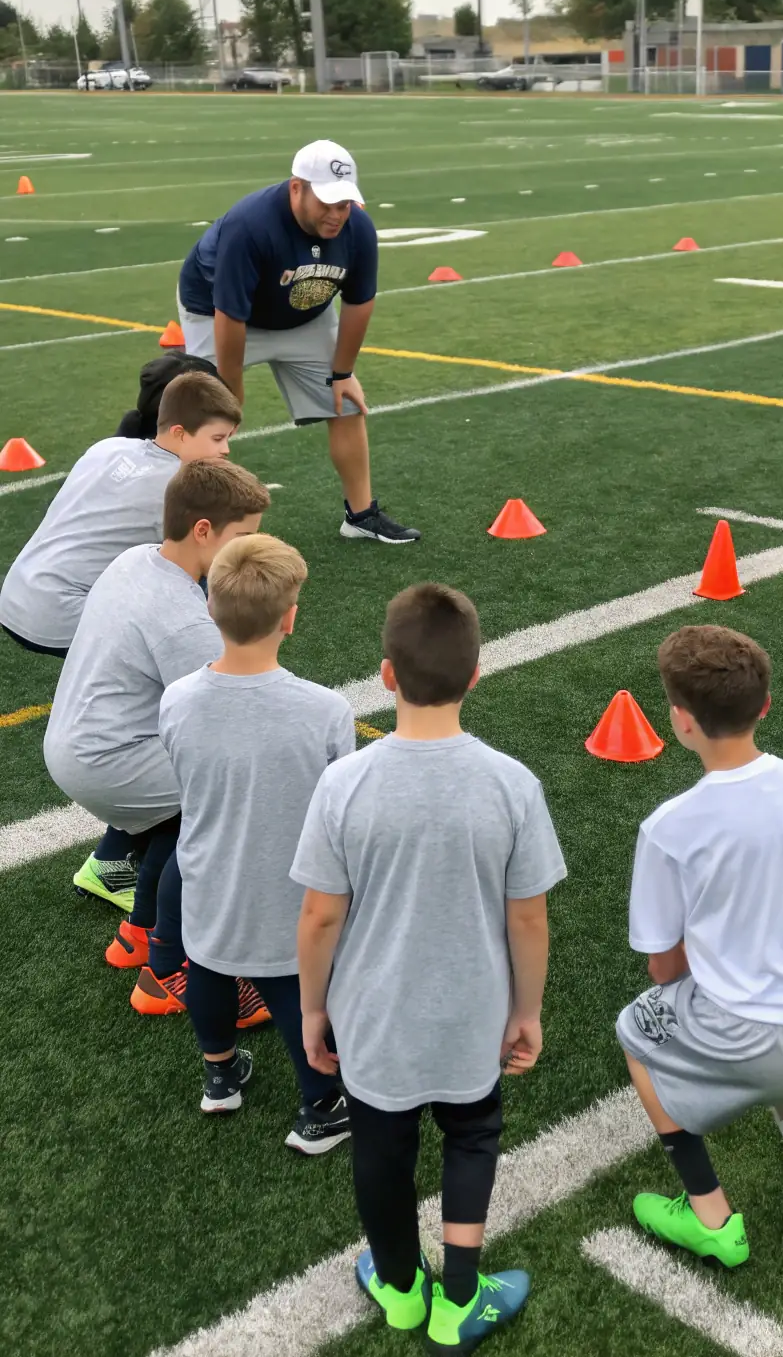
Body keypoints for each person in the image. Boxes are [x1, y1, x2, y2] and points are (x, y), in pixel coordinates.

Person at [292, 583, 566, 1349]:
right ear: (477, 675)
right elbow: (529, 916)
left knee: (383, 1147)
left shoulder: (345, 782)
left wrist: (313, 1008)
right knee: (473, 1134)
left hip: (373, 1018)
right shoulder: (512, 783)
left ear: (386, 674)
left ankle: (402, 1287)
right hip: (470, 1013)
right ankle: (460, 1297)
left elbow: (320, 915)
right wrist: (528, 1008)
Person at [617, 625, 783, 1276]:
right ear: (764, 705)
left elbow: (663, 966)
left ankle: (711, 1217)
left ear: (680, 719)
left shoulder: (671, 826)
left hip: (757, 1043)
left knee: (634, 1026)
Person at [1, 367, 239, 911]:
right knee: (165, 714)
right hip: (62, 609)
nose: (227, 452)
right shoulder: (177, 490)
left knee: (140, 707)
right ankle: (114, 861)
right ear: (180, 434)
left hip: (19, 590)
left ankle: (117, 846)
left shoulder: (109, 447)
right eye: (219, 440)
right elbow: (192, 571)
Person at [43, 459, 271, 1025]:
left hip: (77, 743)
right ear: (202, 531)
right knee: (226, 803)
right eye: (243, 538)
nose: (253, 551)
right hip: (110, 759)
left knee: (177, 817)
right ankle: (169, 970)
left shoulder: (136, 560)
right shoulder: (182, 620)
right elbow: (226, 712)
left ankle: (139, 933)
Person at [159, 533, 355, 1153]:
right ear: (290, 617)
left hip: (208, 872)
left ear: (210, 608)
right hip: (290, 887)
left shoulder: (177, 700)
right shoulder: (325, 710)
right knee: (297, 994)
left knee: (209, 970)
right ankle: (320, 1107)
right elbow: (339, 801)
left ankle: (221, 1075)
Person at [176, 139, 419, 545]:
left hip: (303, 311)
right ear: (296, 188)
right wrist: (230, 388)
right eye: (326, 202)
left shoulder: (358, 228)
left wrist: (342, 373)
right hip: (219, 311)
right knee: (206, 416)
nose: (337, 214)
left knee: (346, 402)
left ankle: (360, 515)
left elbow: (360, 303)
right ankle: (198, 524)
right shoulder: (250, 225)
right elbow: (230, 315)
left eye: (344, 203)